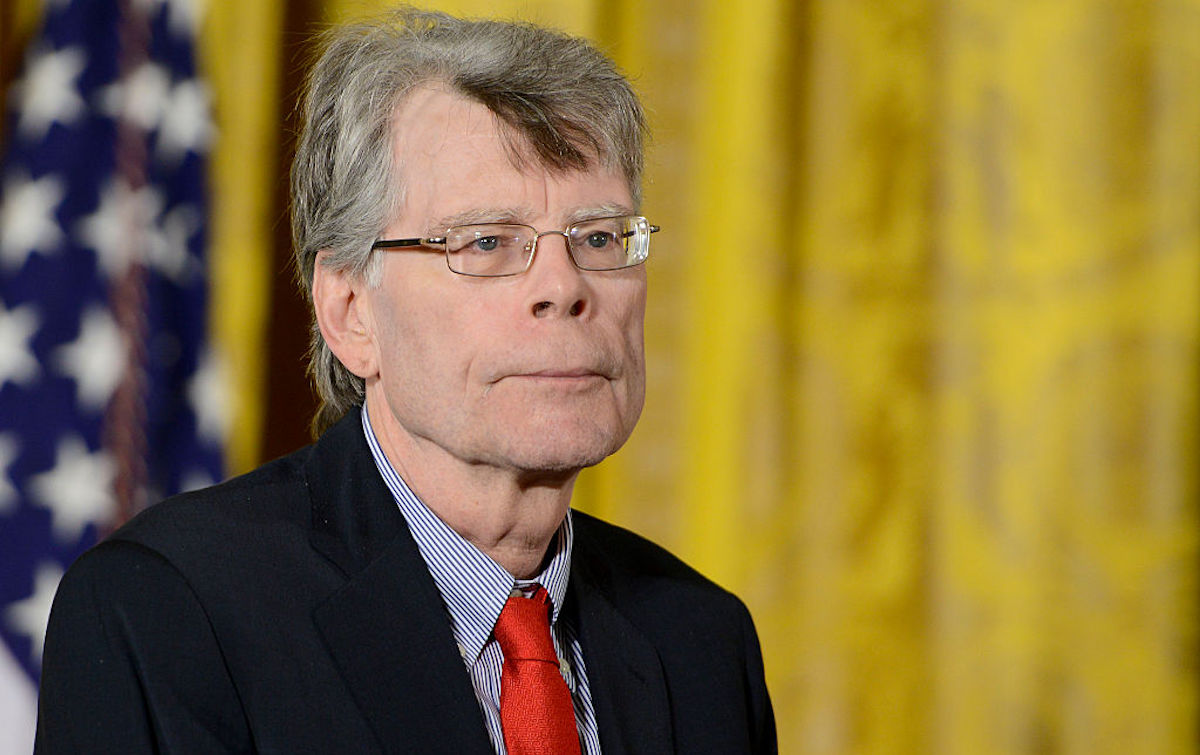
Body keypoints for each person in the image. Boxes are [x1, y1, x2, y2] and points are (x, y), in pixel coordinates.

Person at [36, 8, 776, 754]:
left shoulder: (700, 640)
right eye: (487, 241)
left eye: (598, 237)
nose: (565, 285)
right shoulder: (167, 612)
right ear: (350, 310)